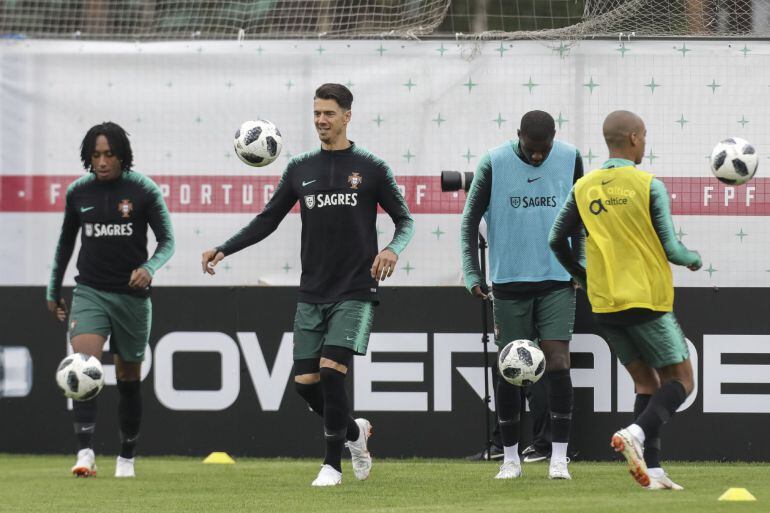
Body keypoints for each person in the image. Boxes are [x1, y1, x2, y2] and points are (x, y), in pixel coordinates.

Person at [201, 83, 414, 487]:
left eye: (329, 113)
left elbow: (405, 220)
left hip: (355, 288)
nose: (321, 120)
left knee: (333, 374)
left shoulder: (371, 167)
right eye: (316, 113)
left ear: (347, 116)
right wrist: (224, 249)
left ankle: (331, 465)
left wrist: (392, 250)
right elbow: (267, 220)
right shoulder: (300, 168)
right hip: (313, 291)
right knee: (305, 385)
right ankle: (355, 433)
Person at [549, 110, 701, 490]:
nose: (645, 143)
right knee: (683, 380)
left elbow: (555, 238)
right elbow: (672, 248)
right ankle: (635, 432)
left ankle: (654, 471)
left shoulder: (583, 187)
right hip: (646, 299)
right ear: (634, 138)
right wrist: (693, 259)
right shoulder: (648, 184)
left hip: (604, 304)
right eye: (645, 136)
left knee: (646, 383)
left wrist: (581, 274)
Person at [46, 122, 175, 478]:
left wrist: (150, 267)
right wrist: (53, 288)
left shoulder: (143, 190)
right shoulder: (78, 193)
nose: (102, 162)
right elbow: (64, 245)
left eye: (109, 154)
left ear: (122, 156)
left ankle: (126, 458)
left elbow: (167, 241)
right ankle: (85, 453)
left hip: (132, 298)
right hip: (90, 291)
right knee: (82, 362)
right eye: (95, 155)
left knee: (127, 376)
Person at [461, 110, 583, 480]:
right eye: (531, 149)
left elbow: (583, 220)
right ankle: (510, 458)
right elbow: (469, 220)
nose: (536, 157)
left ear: (554, 139)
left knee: (558, 361)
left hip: (557, 280)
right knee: (509, 369)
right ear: (518, 136)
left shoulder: (570, 157)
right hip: (509, 282)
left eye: (543, 150)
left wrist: (579, 267)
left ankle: (558, 457)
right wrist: (471, 272)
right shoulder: (494, 162)